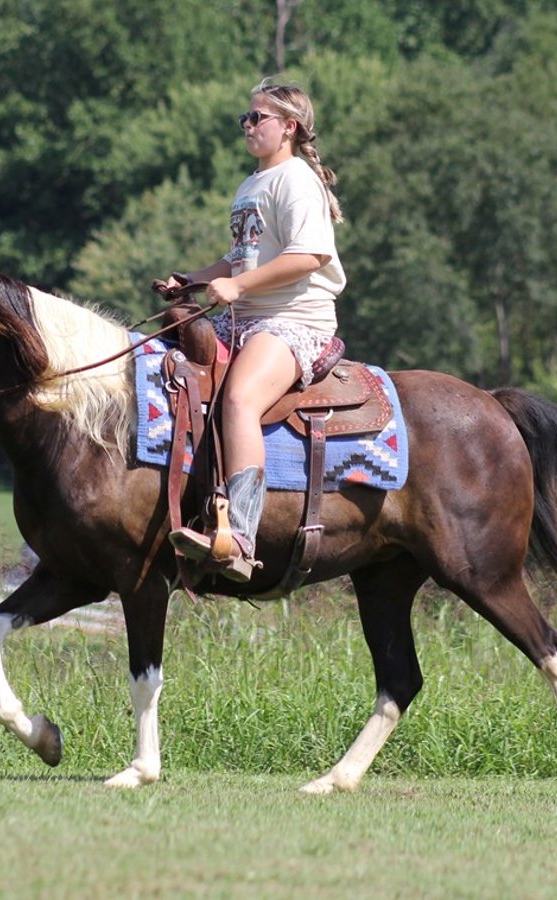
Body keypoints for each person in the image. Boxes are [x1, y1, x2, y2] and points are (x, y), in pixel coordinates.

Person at [164, 78, 346, 582]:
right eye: (245, 118)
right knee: (169, 367)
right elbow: (241, 256)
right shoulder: (252, 183)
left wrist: (239, 286)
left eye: (257, 118)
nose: (247, 126)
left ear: (288, 126)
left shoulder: (296, 180)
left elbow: (311, 255)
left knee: (240, 398)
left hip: (294, 317)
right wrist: (196, 279)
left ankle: (240, 535)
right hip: (244, 315)